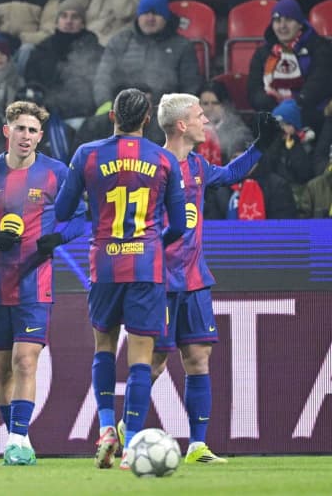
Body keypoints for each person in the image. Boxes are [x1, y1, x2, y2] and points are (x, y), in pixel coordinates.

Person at [119, 94, 281, 464]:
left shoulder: (197, 165)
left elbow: (232, 175)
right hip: (156, 280)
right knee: (154, 362)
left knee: (198, 357)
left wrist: (261, 146)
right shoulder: (149, 166)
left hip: (192, 278)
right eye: (199, 116)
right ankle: (128, 441)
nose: (206, 121)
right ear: (181, 125)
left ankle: (197, 446)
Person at [54, 88, 187, 469]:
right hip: (146, 266)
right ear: (147, 119)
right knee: (141, 357)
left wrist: (94, 202)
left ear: (112, 116)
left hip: (105, 264)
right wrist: (152, 245)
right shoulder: (164, 159)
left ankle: (107, 426)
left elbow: (63, 210)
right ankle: (131, 444)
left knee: (104, 348)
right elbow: (178, 225)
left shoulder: (87, 155)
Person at [0, 100, 85, 465]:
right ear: (7, 131)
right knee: (1, 369)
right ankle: (18, 439)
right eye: (20, 128)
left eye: (33, 130)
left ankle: (16, 438)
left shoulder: (57, 173)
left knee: (25, 361)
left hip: (35, 282)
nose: (26, 136)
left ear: (40, 136)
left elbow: (80, 219)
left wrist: (58, 240)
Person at [92, 0, 202, 115]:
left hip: (163, 115)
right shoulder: (120, 41)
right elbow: (103, 78)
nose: (150, 18)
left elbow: (190, 86)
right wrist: (107, 105)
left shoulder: (182, 45)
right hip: (122, 112)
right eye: (145, 13)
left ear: (166, 17)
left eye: (156, 13)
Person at [247, 0, 332, 136]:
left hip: (310, 112)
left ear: (300, 23)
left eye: (288, 20)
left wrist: (295, 105)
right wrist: (276, 108)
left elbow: (320, 81)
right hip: (272, 111)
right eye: (277, 20)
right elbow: (254, 89)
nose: (282, 26)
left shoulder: (318, 47)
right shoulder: (263, 53)